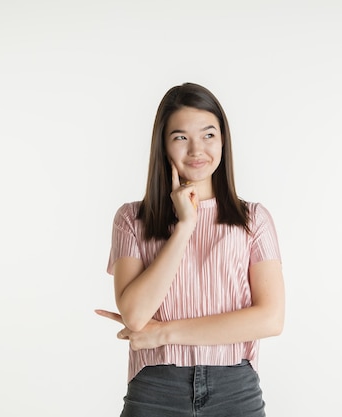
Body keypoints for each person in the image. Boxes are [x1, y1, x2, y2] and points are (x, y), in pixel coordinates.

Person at [95, 82, 285, 417]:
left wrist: (164, 333)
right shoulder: (132, 219)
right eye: (181, 137)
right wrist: (184, 227)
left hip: (234, 389)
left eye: (208, 135)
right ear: (163, 146)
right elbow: (136, 316)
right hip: (155, 388)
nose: (197, 149)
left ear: (223, 141)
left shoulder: (254, 219)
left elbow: (270, 318)